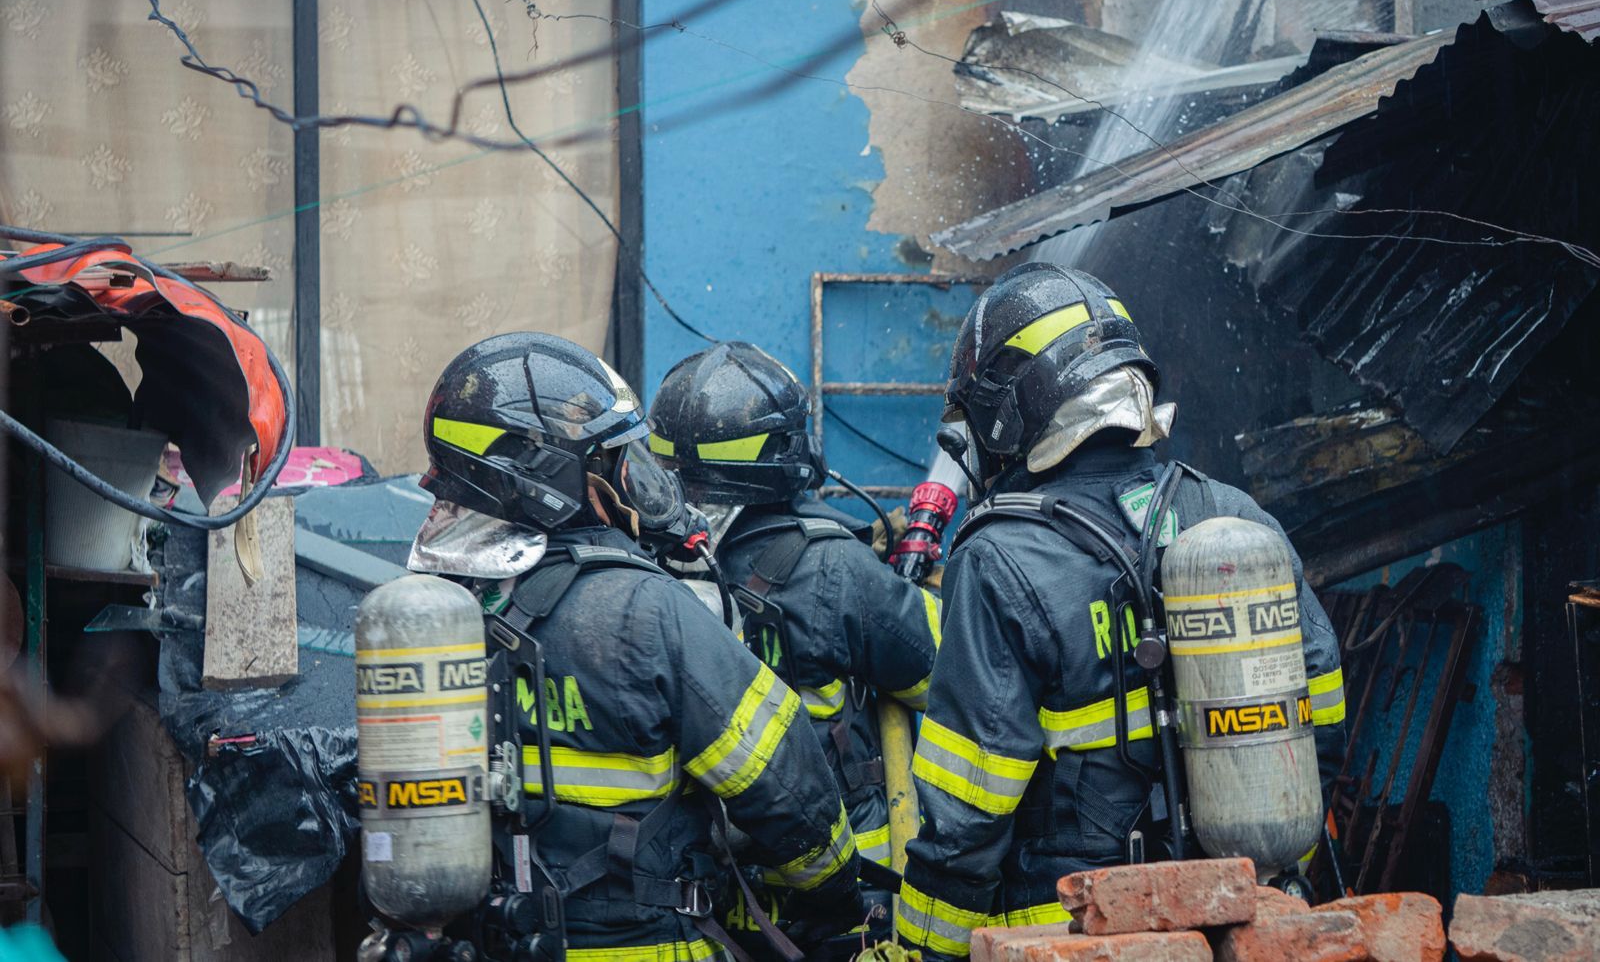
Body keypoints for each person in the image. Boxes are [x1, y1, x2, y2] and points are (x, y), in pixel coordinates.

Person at [895, 264, 1347, 959]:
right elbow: (1320, 711)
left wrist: (924, 949)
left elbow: (967, 814)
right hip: (1243, 917)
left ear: (1013, 406)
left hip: (1075, 931)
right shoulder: (1229, 515)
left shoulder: (997, 558)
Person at [410, 332, 863, 961]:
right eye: (610, 460)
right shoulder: (644, 609)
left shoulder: (421, 616)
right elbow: (786, 787)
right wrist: (836, 900)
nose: (631, 478)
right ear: (546, 475)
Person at [648, 344, 941, 890]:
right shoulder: (832, 567)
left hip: (703, 883)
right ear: (786, 452)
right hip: (847, 881)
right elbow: (946, 673)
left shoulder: (645, 565)